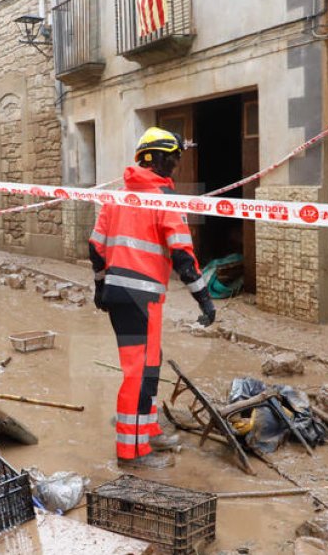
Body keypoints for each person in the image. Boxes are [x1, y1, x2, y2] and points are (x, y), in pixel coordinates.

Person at [89, 127, 216, 470]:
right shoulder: (163, 199)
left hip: (121, 295)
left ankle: (147, 430)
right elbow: (183, 258)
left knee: (149, 364)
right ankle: (132, 453)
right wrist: (204, 299)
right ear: (160, 159)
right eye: (174, 159)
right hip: (141, 297)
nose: (176, 165)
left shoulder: (116, 197)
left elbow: (96, 248)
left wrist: (101, 287)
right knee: (137, 372)